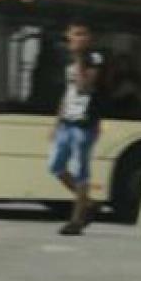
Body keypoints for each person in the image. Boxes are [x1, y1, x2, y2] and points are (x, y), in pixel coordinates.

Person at [49, 22, 106, 235]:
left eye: (81, 34)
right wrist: (56, 122)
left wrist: (80, 57)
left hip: (85, 123)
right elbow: (69, 92)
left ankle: (76, 221)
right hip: (67, 123)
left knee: (82, 171)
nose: (76, 39)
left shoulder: (94, 58)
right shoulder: (69, 62)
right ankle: (89, 203)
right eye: (73, 35)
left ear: (89, 37)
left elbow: (84, 88)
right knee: (55, 166)